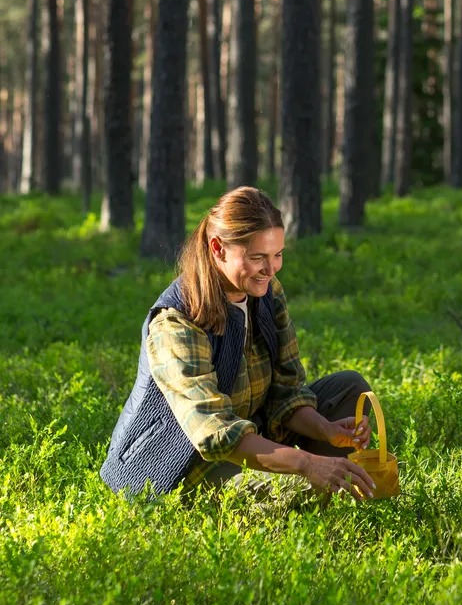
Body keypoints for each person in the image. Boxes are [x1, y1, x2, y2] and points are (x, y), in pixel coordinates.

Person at [101, 186, 376, 501]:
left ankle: (326, 489)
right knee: (288, 488)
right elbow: (214, 433)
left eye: (278, 255)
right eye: (257, 257)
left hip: (249, 432)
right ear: (218, 248)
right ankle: (310, 492)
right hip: (181, 467)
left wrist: (327, 430)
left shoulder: (267, 291)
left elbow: (286, 394)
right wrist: (306, 463)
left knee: (349, 389)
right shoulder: (176, 322)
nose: (270, 269)